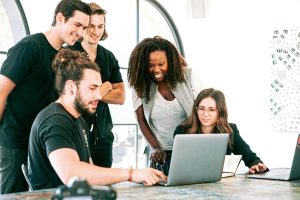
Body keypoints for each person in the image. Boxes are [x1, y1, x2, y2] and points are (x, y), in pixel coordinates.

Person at [27, 49, 166, 190]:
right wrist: (130, 174)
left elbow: (90, 170)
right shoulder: (54, 120)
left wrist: (138, 176)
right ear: (71, 87)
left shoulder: (80, 121)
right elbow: (72, 174)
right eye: (92, 88)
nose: (99, 96)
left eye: (99, 89)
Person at [0, 0, 91, 194]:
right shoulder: (29, 47)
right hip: (16, 142)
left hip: (45, 143)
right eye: (77, 25)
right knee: (12, 196)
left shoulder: (68, 55)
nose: (81, 32)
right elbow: (1, 91)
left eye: (84, 27)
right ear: (60, 18)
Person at [127, 36, 202, 174]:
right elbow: (141, 121)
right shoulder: (139, 85)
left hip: (191, 149)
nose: (156, 70)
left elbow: (202, 111)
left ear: (171, 61)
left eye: (161, 64)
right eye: (150, 65)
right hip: (161, 154)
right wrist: (155, 148)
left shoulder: (187, 75)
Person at [69, 2, 125, 168]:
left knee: (103, 187)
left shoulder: (108, 57)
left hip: (103, 135)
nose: (96, 31)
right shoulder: (69, 54)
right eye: (91, 26)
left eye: (100, 26)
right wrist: (105, 87)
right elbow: (69, 94)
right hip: (75, 132)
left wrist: (93, 92)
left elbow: (121, 96)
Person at [174, 88, 268, 174]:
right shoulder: (182, 131)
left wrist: (256, 165)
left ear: (220, 112)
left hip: (219, 185)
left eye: (211, 110)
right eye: (201, 109)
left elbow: (249, 156)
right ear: (196, 110)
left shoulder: (230, 131)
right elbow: (177, 165)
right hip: (189, 183)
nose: (205, 114)